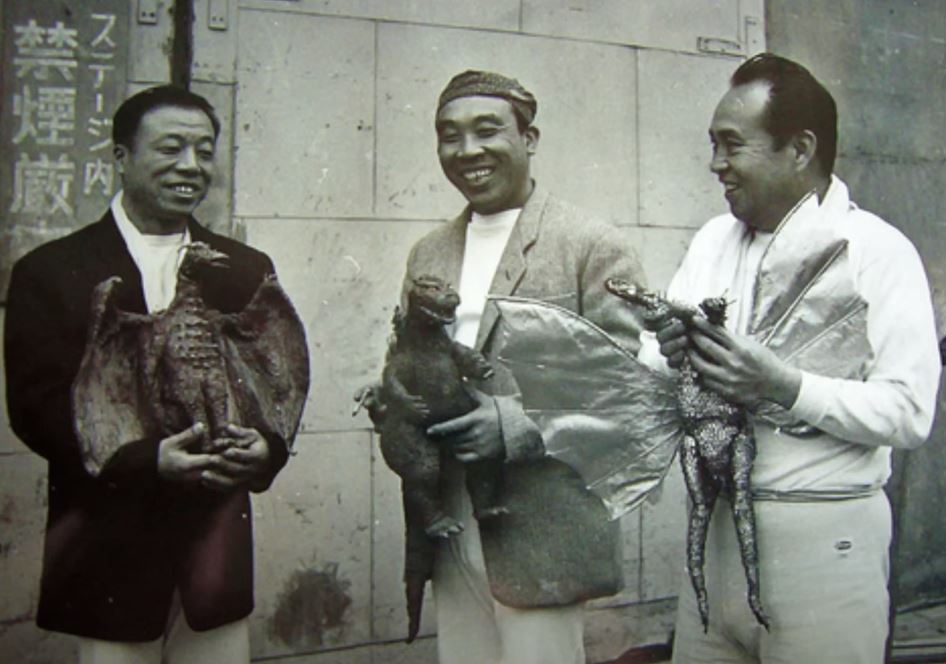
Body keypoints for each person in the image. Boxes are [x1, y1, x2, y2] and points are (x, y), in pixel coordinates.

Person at [645, 53, 941, 663]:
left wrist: (784, 385)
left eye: (732, 145)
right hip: (714, 544)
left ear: (800, 149)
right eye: (713, 145)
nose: (715, 165)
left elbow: (910, 414)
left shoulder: (878, 252)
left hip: (823, 549)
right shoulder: (710, 242)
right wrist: (667, 356)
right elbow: (652, 371)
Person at [4, 86, 293, 664]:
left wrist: (267, 449)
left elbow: (270, 383)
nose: (191, 166)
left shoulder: (243, 268)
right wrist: (145, 461)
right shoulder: (52, 271)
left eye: (204, 150)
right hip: (109, 545)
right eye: (170, 148)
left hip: (215, 545)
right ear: (120, 157)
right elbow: (35, 409)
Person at [384, 70, 646, 664]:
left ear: (529, 138)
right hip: (447, 512)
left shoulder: (590, 243)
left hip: (540, 525)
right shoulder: (428, 252)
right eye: (449, 135)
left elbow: (624, 386)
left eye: (487, 131)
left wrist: (509, 423)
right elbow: (407, 352)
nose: (467, 151)